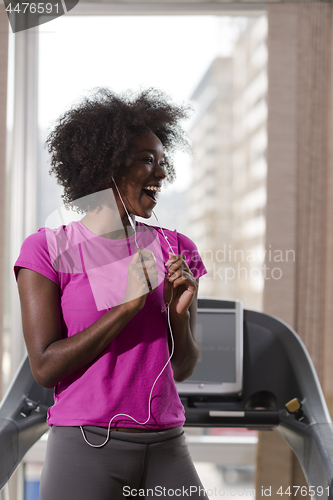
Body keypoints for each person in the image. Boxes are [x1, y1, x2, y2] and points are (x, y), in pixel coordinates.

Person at [14, 88, 208, 500]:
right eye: (147, 160)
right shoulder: (47, 249)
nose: (161, 173)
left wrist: (176, 315)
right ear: (107, 167)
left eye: (162, 161)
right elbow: (45, 368)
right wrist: (125, 308)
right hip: (86, 445)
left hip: (167, 445)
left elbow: (184, 369)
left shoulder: (178, 247)